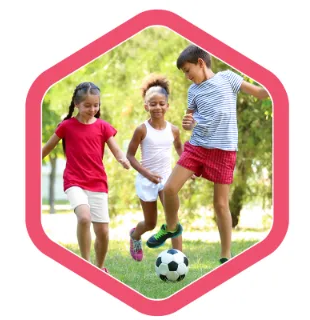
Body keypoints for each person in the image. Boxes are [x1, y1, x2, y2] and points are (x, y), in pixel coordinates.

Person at [146, 45, 269, 264]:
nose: (186, 76)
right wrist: (188, 123)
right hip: (198, 146)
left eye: (187, 70)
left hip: (224, 150)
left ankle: (225, 256)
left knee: (221, 205)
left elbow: (260, 93)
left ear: (201, 63)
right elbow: (190, 122)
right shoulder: (193, 91)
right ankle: (171, 228)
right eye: (183, 72)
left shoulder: (228, 78)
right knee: (170, 188)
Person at [42, 82, 130, 273]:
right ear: (76, 104)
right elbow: (46, 148)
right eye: (87, 105)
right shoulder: (67, 126)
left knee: (103, 233)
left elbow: (116, 149)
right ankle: (86, 264)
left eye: (96, 105)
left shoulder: (103, 127)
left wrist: (123, 160)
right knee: (83, 218)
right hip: (74, 181)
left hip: (97, 182)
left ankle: (99, 268)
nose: (92, 109)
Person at [126, 74, 184, 261]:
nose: (157, 107)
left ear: (167, 105)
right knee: (150, 223)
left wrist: (186, 168)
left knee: (172, 219)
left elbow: (180, 149)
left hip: (167, 179)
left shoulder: (173, 130)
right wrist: (147, 173)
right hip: (146, 179)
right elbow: (130, 156)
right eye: (153, 104)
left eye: (161, 103)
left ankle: (179, 257)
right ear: (146, 106)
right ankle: (135, 235)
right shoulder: (142, 129)